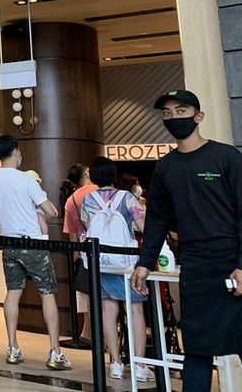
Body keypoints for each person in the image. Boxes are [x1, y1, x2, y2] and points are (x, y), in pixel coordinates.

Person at [132, 90, 242, 392]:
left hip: (236, 269)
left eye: (181, 111)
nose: (174, 118)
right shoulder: (165, 168)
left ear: (198, 116)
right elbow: (157, 219)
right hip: (196, 271)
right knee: (196, 354)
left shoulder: (227, 157)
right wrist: (144, 264)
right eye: (168, 113)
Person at [0, 135, 70, 370]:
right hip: (31, 243)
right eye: (19, 151)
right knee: (47, 293)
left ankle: (13, 348)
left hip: (8, 243)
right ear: (15, 151)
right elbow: (50, 211)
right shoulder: (25, 179)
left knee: (13, 292)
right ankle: (55, 352)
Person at [80, 157, 155, 383]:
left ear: (92, 177)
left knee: (108, 311)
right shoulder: (128, 198)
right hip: (126, 264)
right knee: (135, 311)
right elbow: (144, 227)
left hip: (100, 262)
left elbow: (86, 228)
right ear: (114, 175)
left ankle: (115, 364)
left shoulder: (88, 200)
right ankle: (140, 365)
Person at [62, 162, 97, 344]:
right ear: (86, 174)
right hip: (107, 246)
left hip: (84, 249)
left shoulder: (71, 200)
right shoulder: (100, 190)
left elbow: (72, 231)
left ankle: (88, 331)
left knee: (85, 293)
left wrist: (76, 251)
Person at [24, 170, 49, 238]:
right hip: (30, 213)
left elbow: (40, 204)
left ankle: (45, 236)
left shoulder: (41, 193)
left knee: (41, 220)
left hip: (38, 211)